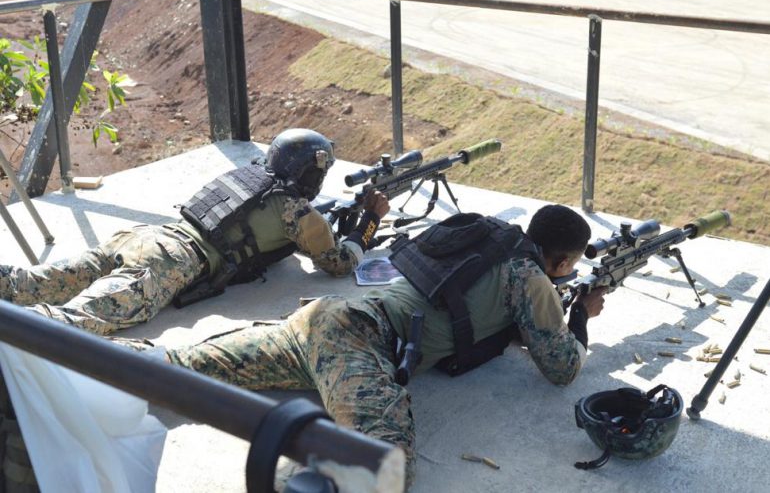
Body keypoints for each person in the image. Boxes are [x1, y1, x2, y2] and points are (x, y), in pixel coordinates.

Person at [156, 204, 607, 488]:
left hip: (327, 315)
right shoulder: (531, 279)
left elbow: (470, 303)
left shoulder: (489, 237)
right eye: (565, 268)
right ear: (564, 261)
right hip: (361, 344)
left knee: (178, 367)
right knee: (383, 468)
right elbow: (562, 367)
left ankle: (94, 368)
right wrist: (581, 315)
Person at [0, 128, 389, 336]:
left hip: (145, 237)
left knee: (28, 282)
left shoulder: (249, 177)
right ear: (311, 173)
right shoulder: (300, 213)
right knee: (73, 323)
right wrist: (366, 225)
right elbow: (337, 263)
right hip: (169, 262)